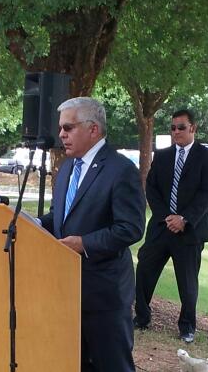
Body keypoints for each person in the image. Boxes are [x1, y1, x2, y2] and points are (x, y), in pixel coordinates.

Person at [39, 97, 146, 371]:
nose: (61, 134)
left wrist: (84, 244)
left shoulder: (120, 169)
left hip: (105, 296)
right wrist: (35, 226)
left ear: (93, 129)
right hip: (67, 291)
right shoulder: (66, 169)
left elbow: (131, 227)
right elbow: (59, 216)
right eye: (61, 128)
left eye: (68, 127)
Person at [134, 109, 208, 343]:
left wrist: (184, 219)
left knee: (188, 282)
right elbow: (152, 188)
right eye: (172, 128)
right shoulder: (162, 156)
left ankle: (187, 326)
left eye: (181, 127)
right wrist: (167, 217)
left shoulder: (207, 157)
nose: (176, 132)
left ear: (193, 128)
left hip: (190, 231)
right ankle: (141, 317)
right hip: (161, 227)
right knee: (144, 270)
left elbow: (206, 194)